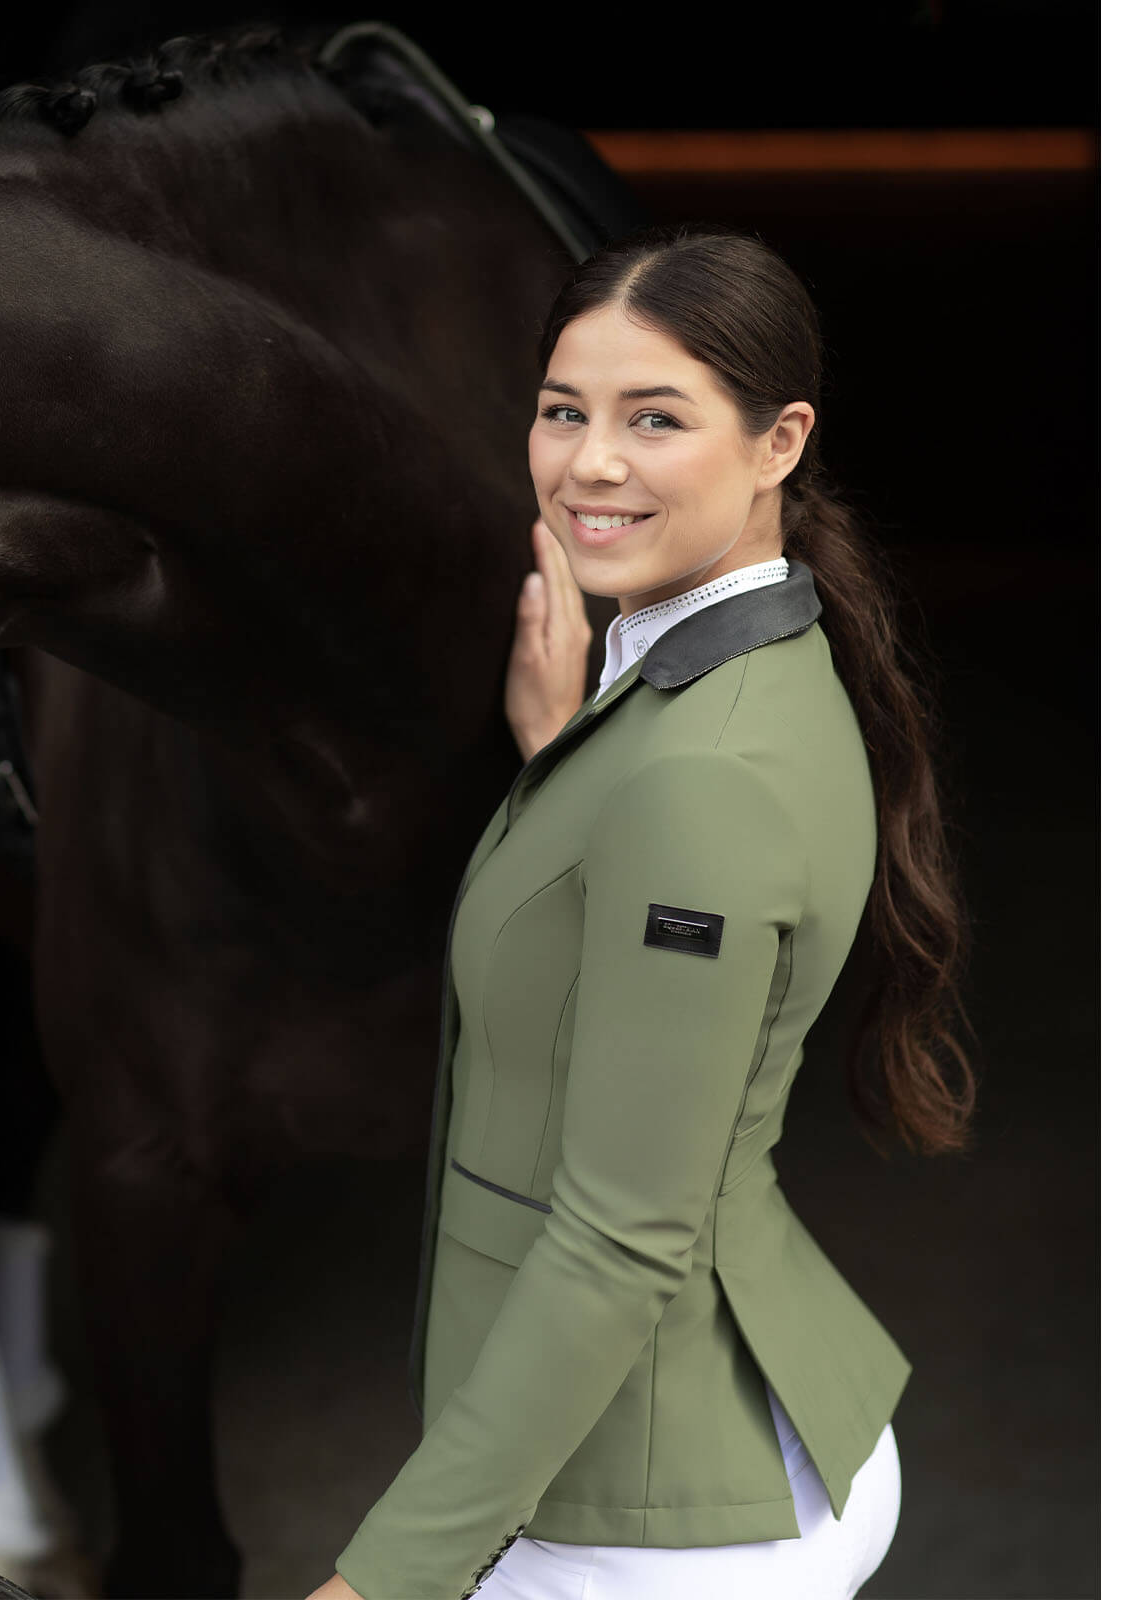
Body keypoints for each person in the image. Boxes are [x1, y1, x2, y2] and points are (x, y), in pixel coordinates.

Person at [309, 222, 976, 1600]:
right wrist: (566, 754)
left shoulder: (695, 780)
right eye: (564, 411)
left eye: (654, 418)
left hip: (652, 1522)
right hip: (656, 1440)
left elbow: (620, 1236)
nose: (589, 462)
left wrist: (378, 1584)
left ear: (780, 442)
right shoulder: (722, 673)